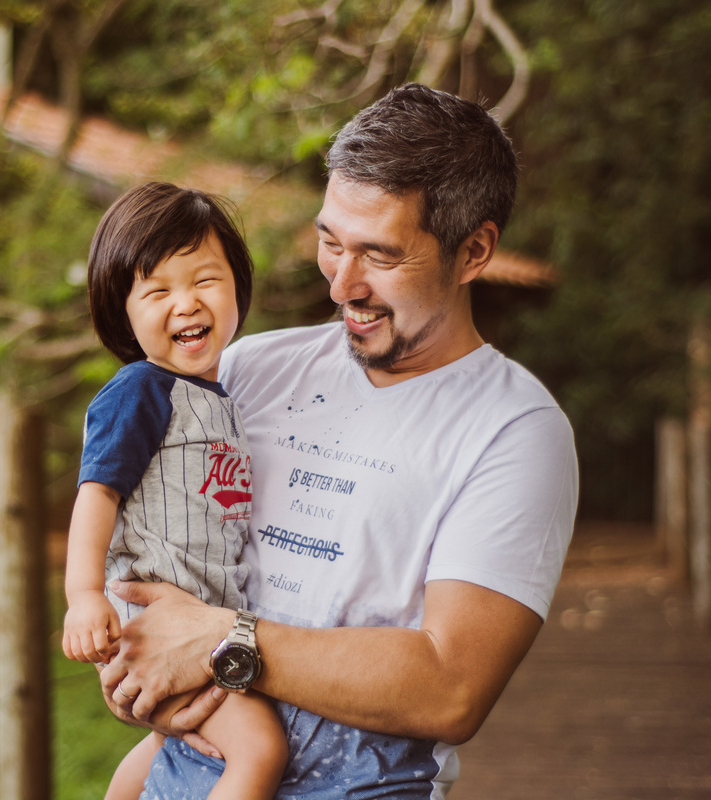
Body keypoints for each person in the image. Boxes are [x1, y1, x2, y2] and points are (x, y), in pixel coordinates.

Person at [96, 84, 580, 798]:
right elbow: (145, 547)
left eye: (379, 256)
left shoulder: (515, 432)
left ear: (473, 250)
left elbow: (451, 689)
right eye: (330, 242)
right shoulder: (243, 369)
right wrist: (135, 663)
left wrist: (222, 643)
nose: (341, 284)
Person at [63, 182, 287, 799]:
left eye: (204, 281)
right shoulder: (140, 390)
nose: (185, 304)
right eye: (157, 290)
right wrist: (83, 596)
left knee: (168, 741)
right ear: (123, 311)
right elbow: (96, 493)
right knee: (260, 748)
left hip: (205, 616)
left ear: (238, 286)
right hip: (160, 620)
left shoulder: (221, 399)